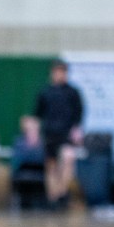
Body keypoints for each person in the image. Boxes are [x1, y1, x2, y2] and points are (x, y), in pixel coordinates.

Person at [33, 59, 84, 210]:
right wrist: (35, 132)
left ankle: (62, 192)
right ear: (52, 72)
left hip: (66, 134)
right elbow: (37, 115)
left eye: (63, 71)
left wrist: (76, 130)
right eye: (57, 71)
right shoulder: (45, 92)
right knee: (51, 166)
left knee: (68, 159)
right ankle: (53, 198)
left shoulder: (73, 92)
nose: (60, 74)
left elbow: (79, 114)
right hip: (49, 134)